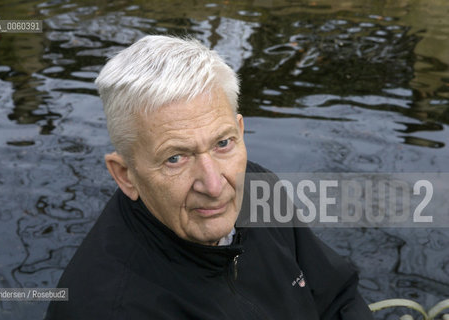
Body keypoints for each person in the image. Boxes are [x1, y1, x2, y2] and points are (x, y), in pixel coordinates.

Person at [46, 35, 374, 319]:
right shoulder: (107, 309)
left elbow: (337, 297)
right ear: (126, 175)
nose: (215, 186)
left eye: (222, 143)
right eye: (175, 158)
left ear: (241, 132)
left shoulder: (259, 189)